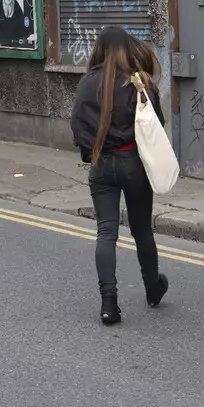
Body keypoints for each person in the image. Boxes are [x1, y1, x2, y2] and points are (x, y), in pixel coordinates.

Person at [70, 26, 168, 326]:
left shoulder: (87, 84)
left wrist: (92, 154)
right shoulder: (141, 84)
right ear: (128, 48)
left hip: (102, 165)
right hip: (135, 164)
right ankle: (153, 288)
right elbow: (157, 125)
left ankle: (109, 304)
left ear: (99, 49)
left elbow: (78, 128)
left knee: (106, 233)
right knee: (142, 231)